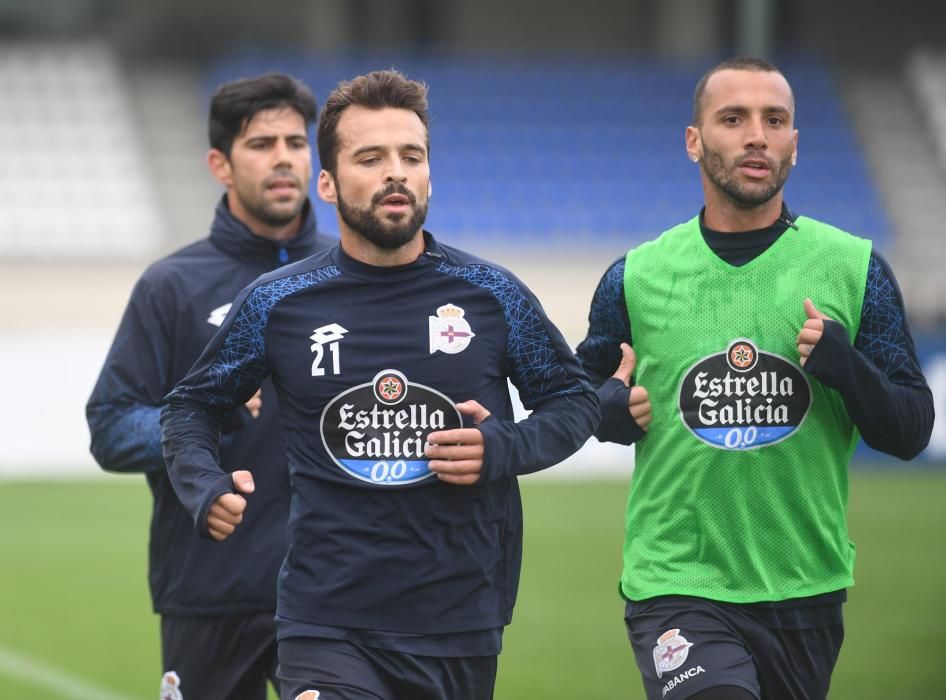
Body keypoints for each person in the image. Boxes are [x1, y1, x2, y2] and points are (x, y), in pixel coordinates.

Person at [160, 68, 599, 700]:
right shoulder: (278, 302)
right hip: (325, 620)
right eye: (371, 158)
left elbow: (573, 400)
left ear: (428, 175)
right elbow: (192, 406)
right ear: (330, 185)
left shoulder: (491, 294)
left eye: (411, 156)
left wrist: (502, 448)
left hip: (459, 622)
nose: (396, 172)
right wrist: (204, 484)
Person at [577, 56, 934, 700]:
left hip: (805, 584)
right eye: (733, 118)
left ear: (794, 142)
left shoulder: (854, 268)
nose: (756, 136)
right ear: (695, 141)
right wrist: (604, 413)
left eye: (774, 120)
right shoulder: (635, 277)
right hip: (676, 580)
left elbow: (910, 431)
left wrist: (845, 366)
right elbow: (579, 400)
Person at [87, 72, 331, 700]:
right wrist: (205, 416)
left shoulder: (353, 276)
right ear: (220, 164)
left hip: (334, 591)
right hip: (208, 590)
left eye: (296, 142)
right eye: (261, 144)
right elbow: (111, 427)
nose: (283, 158)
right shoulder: (170, 286)